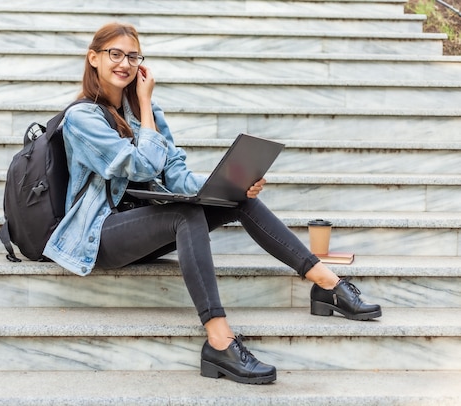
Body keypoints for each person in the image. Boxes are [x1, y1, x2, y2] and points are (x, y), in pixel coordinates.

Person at [43, 22, 382, 385]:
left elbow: (174, 173)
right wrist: (144, 103)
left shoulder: (146, 114)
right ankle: (220, 340)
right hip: (99, 235)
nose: (125, 63)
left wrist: (227, 185)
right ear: (93, 58)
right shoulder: (82, 118)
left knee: (236, 199)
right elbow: (141, 164)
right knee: (185, 216)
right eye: (115, 54)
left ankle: (326, 284)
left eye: (132, 55)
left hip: (143, 225)